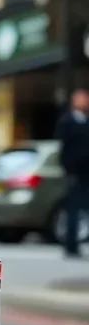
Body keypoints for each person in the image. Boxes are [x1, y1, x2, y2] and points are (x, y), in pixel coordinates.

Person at [57, 87, 89, 257]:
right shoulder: (66, 121)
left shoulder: (87, 120)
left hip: (87, 172)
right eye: (80, 98)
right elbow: (63, 149)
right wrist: (68, 170)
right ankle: (71, 245)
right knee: (73, 210)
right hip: (74, 172)